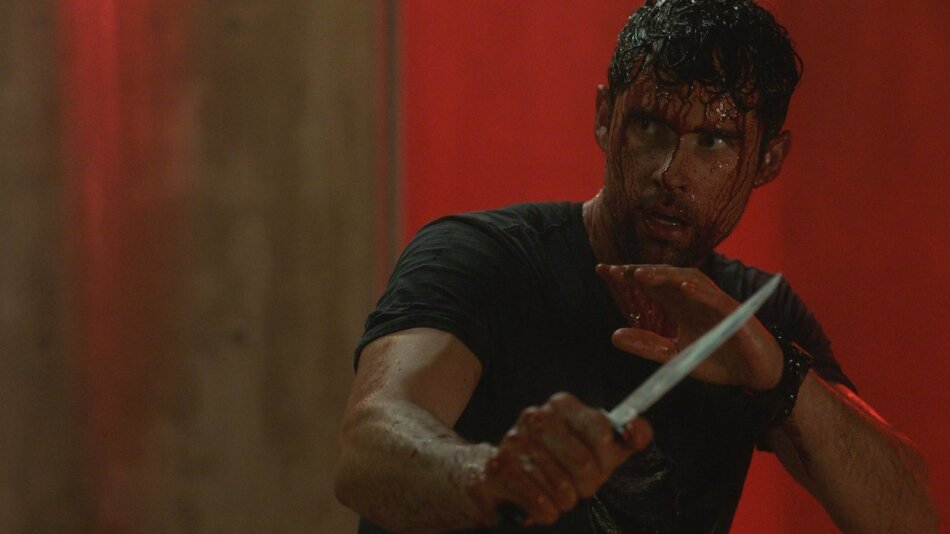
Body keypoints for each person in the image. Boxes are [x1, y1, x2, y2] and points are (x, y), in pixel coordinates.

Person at [334, 1, 938, 532]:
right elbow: (368, 447)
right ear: (605, 117)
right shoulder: (482, 257)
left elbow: (908, 520)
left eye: (714, 141)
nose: (671, 174)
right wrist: (489, 475)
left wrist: (781, 377)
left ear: (767, 160)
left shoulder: (753, 317)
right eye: (650, 127)